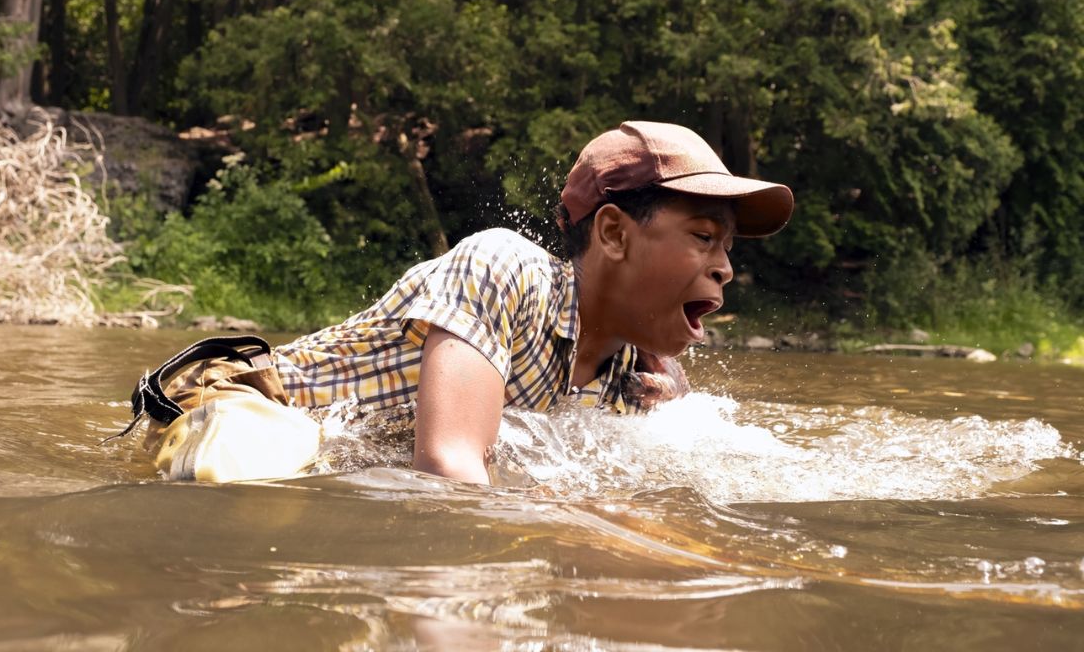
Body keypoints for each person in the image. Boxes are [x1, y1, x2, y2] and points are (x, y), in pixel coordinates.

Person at [135, 120, 793, 484]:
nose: (726, 267)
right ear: (615, 233)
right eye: (704, 238)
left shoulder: (635, 378)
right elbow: (449, 467)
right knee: (253, 463)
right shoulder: (505, 268)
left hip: (352, 455)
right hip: (251, 405)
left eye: (729, 247)